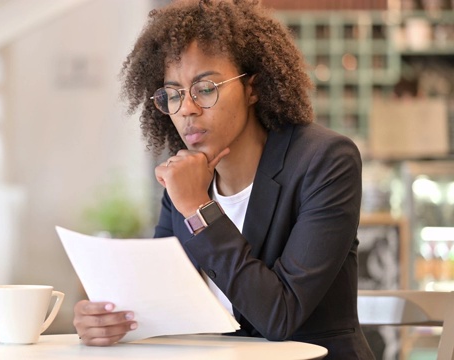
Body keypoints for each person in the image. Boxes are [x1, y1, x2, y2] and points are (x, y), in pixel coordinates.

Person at [73, 0, 375, 358]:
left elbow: (280, 316)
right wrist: (110, 320)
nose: (186, 108)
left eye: (205, 88)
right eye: (173, 94)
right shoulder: (184, 181)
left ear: (253, 88)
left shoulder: (324, 162)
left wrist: (199, 209)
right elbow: (160, 300)